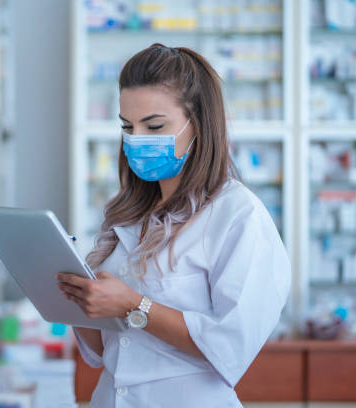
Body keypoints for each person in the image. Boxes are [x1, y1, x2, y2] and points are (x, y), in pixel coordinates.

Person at [56, 44, 291, 407]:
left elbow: (230, 346)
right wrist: (75, 294)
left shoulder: (237, 215)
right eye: (127, 126)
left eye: (154, 126)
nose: (137, 139)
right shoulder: (131, 214)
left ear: (197, 124)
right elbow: (107, 349)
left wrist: (134, 305)